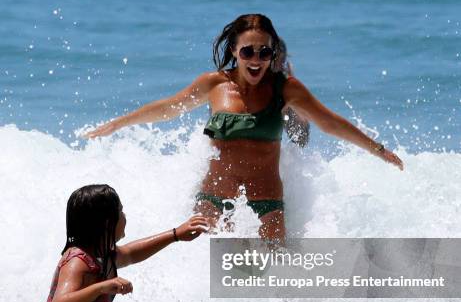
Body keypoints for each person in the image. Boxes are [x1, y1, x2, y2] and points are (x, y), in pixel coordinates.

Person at [84, 14, 403, 240]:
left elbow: (331, 122)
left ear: (273, 54)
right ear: (234, 51)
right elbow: (168, 108)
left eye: (264, 52)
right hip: (212, 198)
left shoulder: (286, 88)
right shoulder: (214, 84)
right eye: (248, 51)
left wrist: (378, 149)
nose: (256, 59)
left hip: (266, 204)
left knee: (268, 287)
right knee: (205, 281)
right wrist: (119, 123)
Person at [19, 184, 208, 302]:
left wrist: (175, 235)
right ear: (107, 222)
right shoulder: (78, 261)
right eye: (121, 211)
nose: (125, 217)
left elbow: (131, 253)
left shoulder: (103, 255)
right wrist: (101, 287)